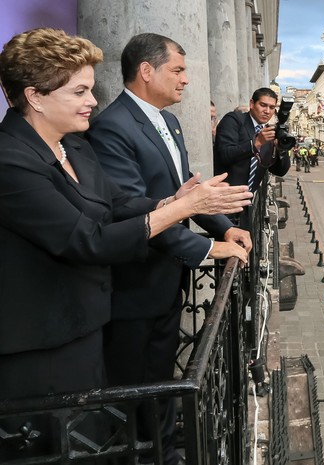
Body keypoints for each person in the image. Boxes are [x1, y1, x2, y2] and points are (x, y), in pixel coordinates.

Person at [0, 27, 251, 461]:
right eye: (79, 91)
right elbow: (88, 240)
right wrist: (184, 208)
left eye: (91, 89)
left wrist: (178, 200)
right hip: (40, 350)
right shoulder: (10, 161)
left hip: (89, 329)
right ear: (36, 96)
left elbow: (120, 203)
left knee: (100, 439)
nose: (93, 101)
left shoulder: (74, 148)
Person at [86, 32, 251, 465]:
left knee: (159, 382)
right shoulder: (112, 128)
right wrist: (208, 249)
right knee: (133, 393)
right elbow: (138, 214)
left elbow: (185, 191)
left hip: (165, 285)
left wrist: (223, 227)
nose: (185, 81)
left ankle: (165, 453)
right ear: (146, 71)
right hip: (135, 288)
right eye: (177, 70)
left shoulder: (169, 121)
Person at [214, 87, 291, 196]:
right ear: (252, 104)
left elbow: (279, 171)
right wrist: (257, 143)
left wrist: (281, 149)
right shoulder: (234, 120)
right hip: (224, 197)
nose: (267, 111)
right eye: (263, 105)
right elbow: (225, 155)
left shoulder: (269, 133)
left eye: (272, 107)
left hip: (248, 202)